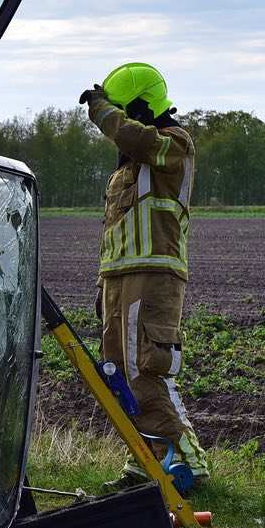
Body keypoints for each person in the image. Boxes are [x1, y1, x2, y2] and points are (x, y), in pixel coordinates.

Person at [80, 63, 211, 488]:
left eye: (120, 111)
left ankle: (187, 461)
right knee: (118, 375)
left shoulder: (173, 144)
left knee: (146, 371)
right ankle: (145, 461)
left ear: (139, 107)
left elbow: (136, 137)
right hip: (119, 280)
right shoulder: (128, 169)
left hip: (154, 278)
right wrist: (104, 287)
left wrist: (103, 112)